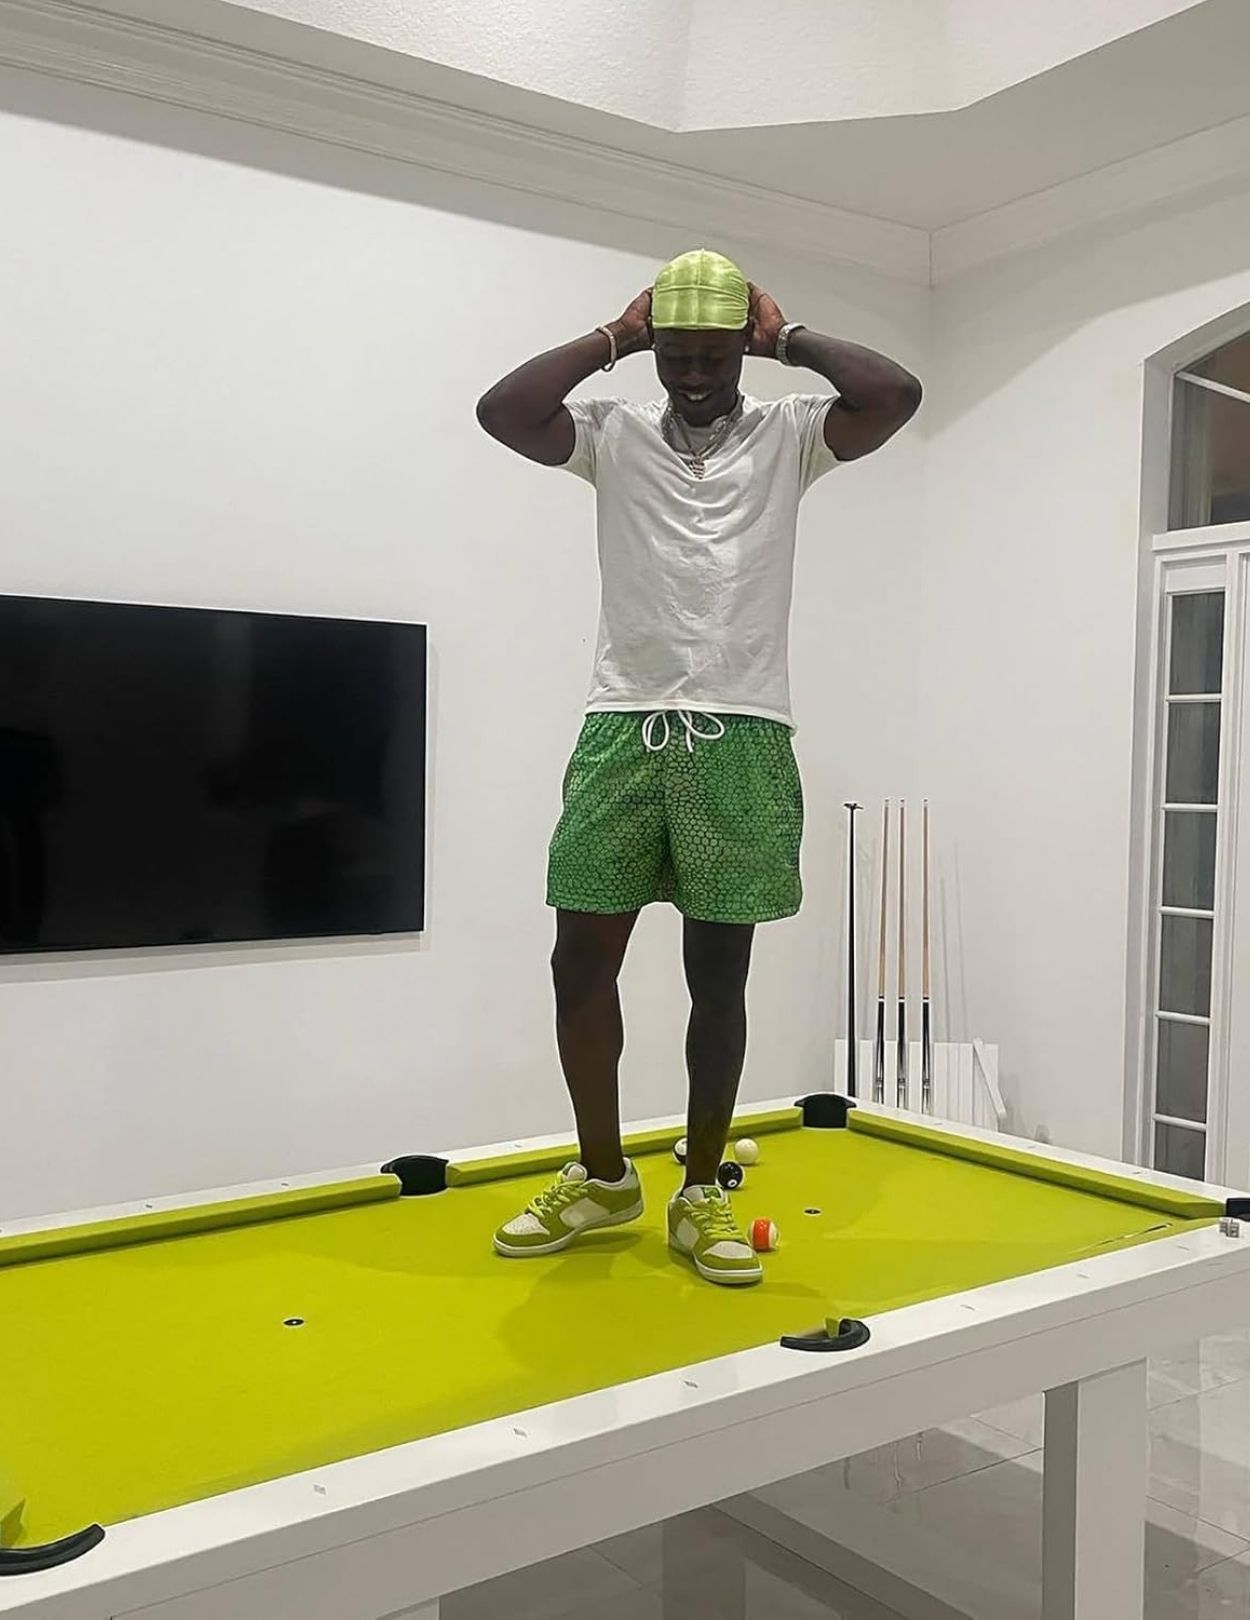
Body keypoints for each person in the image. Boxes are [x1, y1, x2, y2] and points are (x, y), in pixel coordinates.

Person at [476, 249, 921, 1285]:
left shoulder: (790, 434)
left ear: (743, 349)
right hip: (622, 726)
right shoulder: (611, 432)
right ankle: (603, 1178)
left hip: (742, 732)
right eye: (672, 355)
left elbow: (893, 394)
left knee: (717, 977)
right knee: (578, 962)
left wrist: (789, 337)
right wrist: (613, 337)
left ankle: (702, 1188)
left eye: (712, 356)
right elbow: (504, 411)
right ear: (652, 349)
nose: (691, 375)